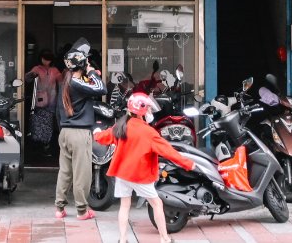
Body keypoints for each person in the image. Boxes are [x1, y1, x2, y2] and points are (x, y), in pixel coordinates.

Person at [94, 93, 194, 243]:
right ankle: (164, 238)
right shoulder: (148, 132)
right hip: (140, 175)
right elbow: (168, 151)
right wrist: (188, 163)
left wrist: (96, 134)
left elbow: (104, 137)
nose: (149, 111)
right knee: (156, 203)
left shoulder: (121, 125)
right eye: (148, 108)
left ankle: (122, 239)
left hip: (122, 174)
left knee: (125, 205)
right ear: (141, 110)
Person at [54, 37, 107, 220]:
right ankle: (82, 211)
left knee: (65, 172)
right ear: (83, 63)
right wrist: (93, 73)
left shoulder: (66, 82)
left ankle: (59, 208)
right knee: (81, 174)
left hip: (65, 133)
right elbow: (101, 89)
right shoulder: (78, 83)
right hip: (79, 133)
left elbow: (57, 112)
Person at [27, 49, 63, 151]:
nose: (46, 61)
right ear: (41, 58)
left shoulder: (55, 70)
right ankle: (38, 146)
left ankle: (46, 146)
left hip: (52, 102)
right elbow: (27, 79)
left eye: (48, 59)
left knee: (49, 125)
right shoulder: (36, 69)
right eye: (44, 59)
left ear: (51, 60)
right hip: (39, 102)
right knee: (37, 125)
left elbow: (62, 83)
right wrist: (31, 75)